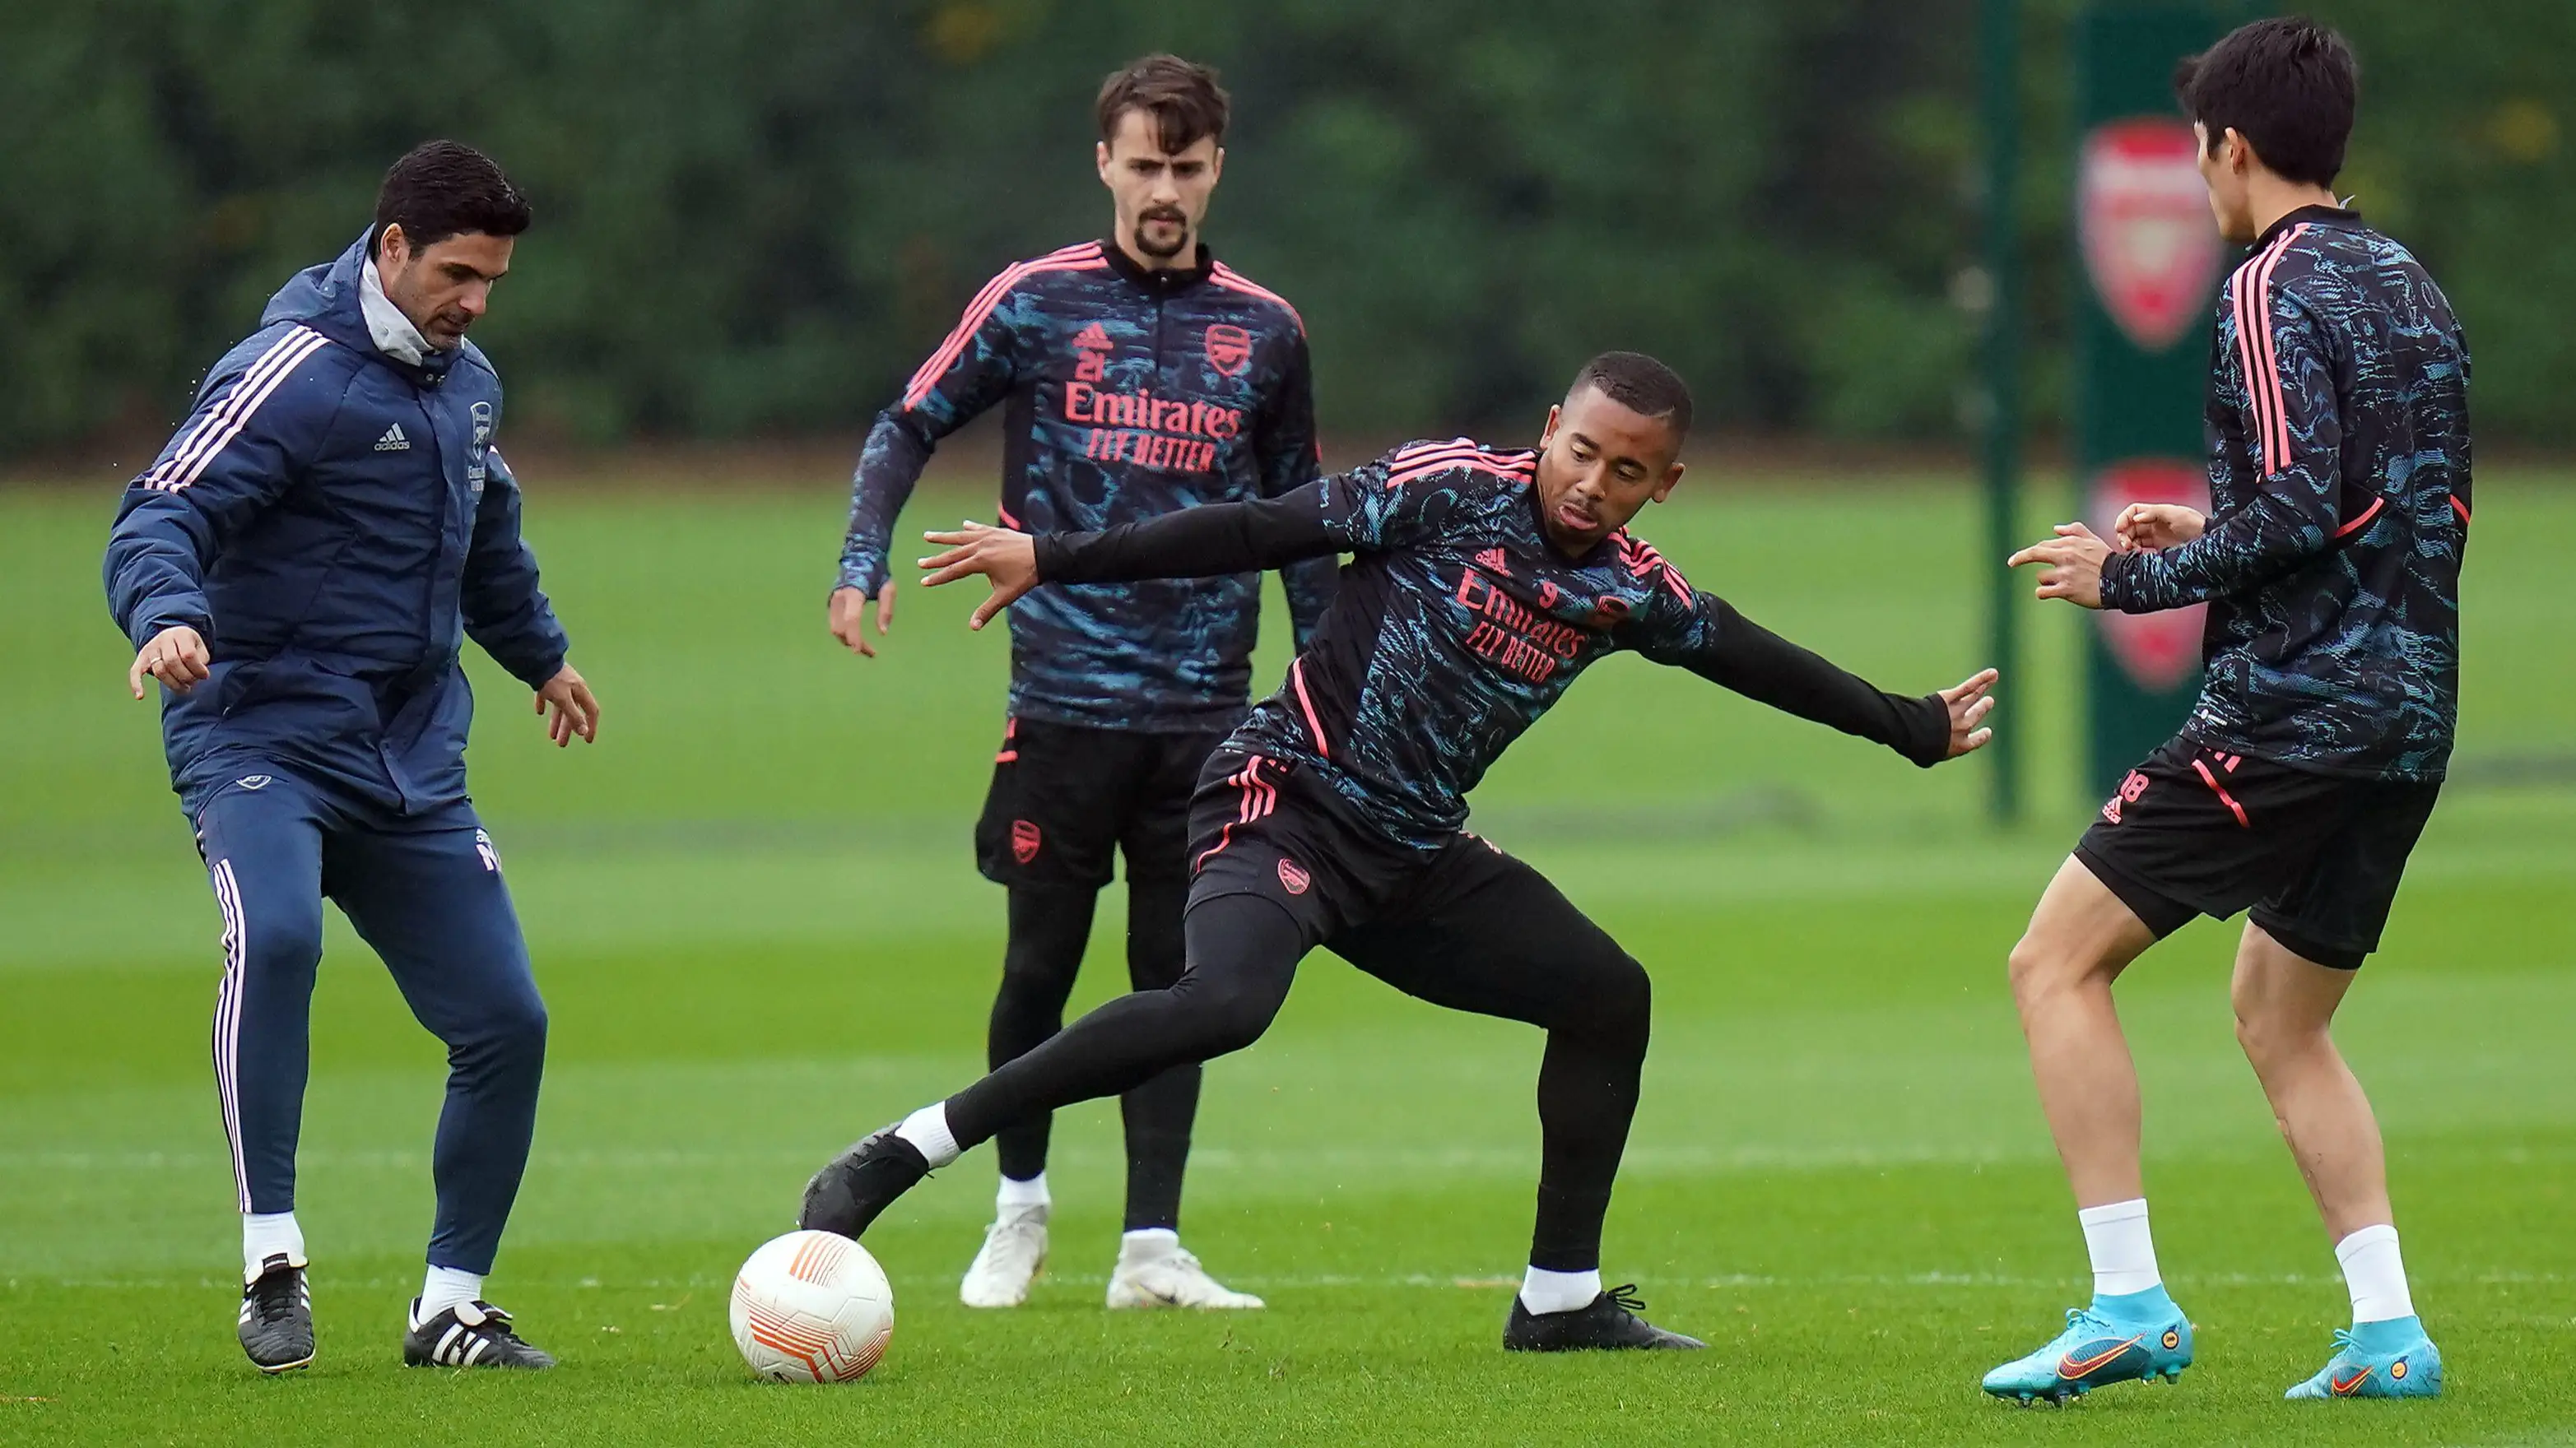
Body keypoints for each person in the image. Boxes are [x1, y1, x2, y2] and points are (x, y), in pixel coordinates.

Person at [801, 351, 1998, 1350]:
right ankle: (905, 1153)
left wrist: (1907, 726)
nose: (1592, 483)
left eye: (1627, 472)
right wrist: (1053, 557)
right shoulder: (1443, 489)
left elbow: (1744, 652)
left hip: (1414, 856)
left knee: (1605, 996)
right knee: (1223, 1002)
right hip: (1285, 797)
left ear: (1662, 485)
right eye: (1580, 452)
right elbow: (1258, 527)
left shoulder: (1629, 589)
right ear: (1550, 431)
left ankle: (1559, 1302)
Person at [1991, 17, 2467, 1404]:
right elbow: (2383, 511)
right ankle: (2387, 1333)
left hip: (2292, 711)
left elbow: (2307, 506)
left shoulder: (2266, 284)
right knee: (2280, 1014)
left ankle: (2125, 1303)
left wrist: (2132, 573)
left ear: (2231, 148)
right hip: (2410, 718)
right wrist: (2216, 522)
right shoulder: (2408, 283)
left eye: (2200, 151)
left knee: (2051, 966)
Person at [830, 54, 1334, 1311]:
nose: (1163, 188)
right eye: (1143, 162)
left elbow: (1301, 519)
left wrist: (1329, 690)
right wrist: (859, 560)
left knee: (1182, 981)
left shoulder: (1266, 330)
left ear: (1217, 169)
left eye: (1187, 165)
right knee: (1039, 966)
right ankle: (1017, 1210)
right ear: (1103, 161)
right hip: (1062, 700)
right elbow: (908, 421)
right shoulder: (1033, 301)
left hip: (1209, 714)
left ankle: (1151, 1250)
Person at [103, 142, 598, 1374]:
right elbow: (161, 506)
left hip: (410, 759)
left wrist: (540, 657)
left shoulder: (468, 383)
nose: (475, 299)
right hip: (259, 731)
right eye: (456, 272)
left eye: (493, 278)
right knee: (276, 939)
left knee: (507, 1019)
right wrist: (167, 612)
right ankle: (272, 1261)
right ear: (389, 248)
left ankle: (450, 1308)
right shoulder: (292, 373)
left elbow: (488, 544)